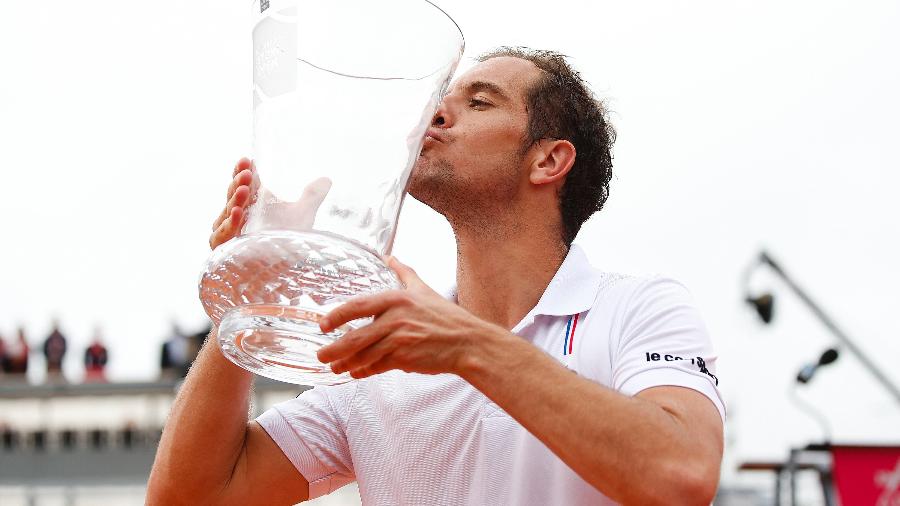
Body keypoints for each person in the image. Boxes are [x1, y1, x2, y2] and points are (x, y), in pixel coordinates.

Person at [148, 47, 724, 505]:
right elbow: (189, 498)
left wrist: (464, 345)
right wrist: (257, 291)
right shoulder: (382, 364)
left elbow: (681, 476)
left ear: (548, 161)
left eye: (480, 101)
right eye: (441, 99)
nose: (436, 113)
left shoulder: (637, 309)